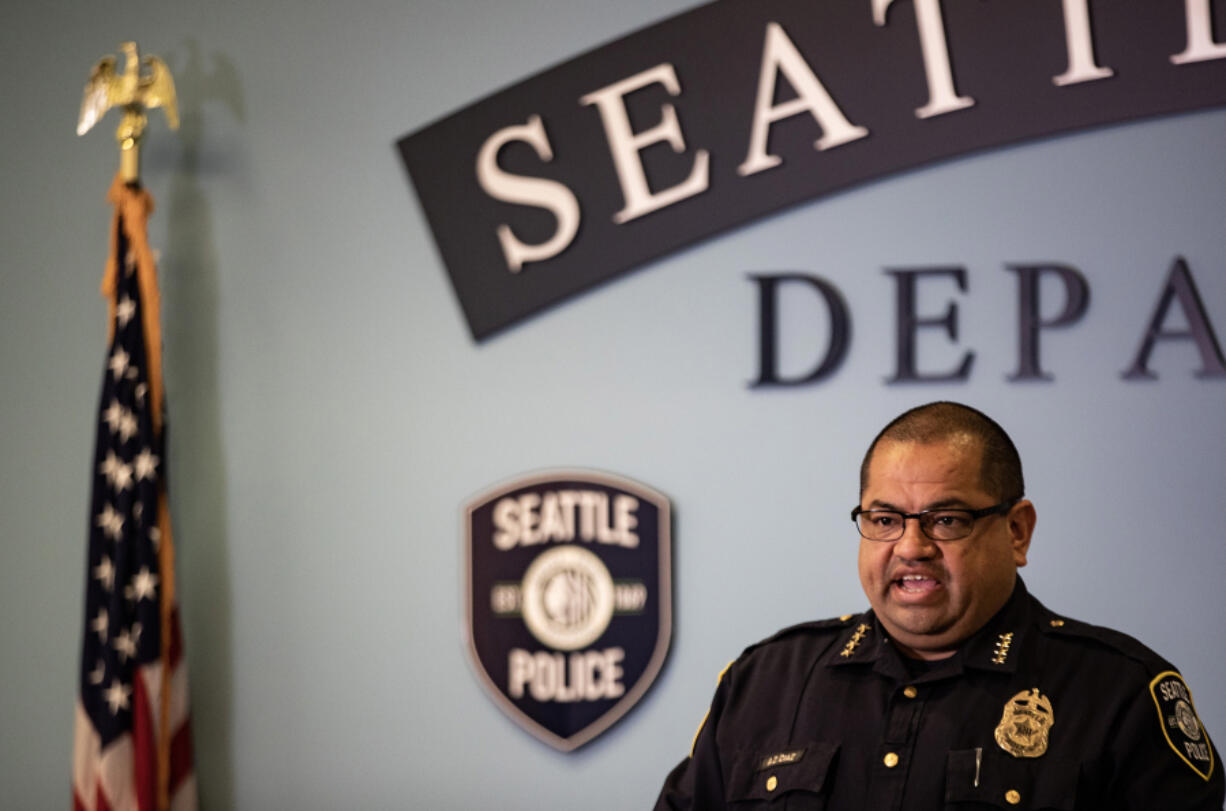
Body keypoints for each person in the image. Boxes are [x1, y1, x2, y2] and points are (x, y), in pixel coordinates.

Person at [655, 401, 1223, 810]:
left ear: (1017, 531)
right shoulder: (766, 681)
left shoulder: (1119, 694)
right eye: (884, 520)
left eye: (946, 520)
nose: (911, 548)